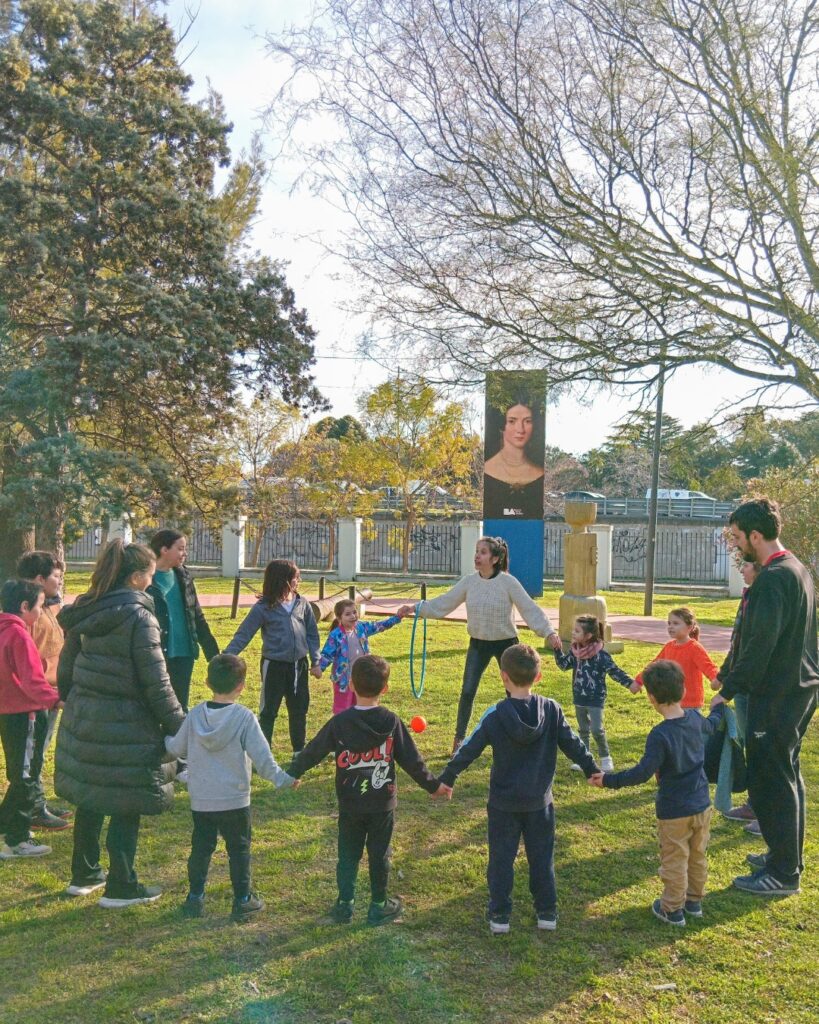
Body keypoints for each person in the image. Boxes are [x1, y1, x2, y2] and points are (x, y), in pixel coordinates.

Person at [55, 540, 184, 906]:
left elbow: (67, 667)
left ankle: (84, 874)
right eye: (149, 572)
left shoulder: (88, 609)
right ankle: (122, 885)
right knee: (127, 802)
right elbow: (157, 683)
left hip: (87, 717)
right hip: (129, 724)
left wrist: (77, 698)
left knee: (91, 794)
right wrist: (181, 726)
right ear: (135, 577)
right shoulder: (139, 616)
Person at [438, 643, 598, 934]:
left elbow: (469, 748)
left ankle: (500, 916)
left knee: (501, 859)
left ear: (503, 676)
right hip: (540, 803)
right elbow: (573, 743)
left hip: (504, 804)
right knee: (541, 857)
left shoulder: (496, 714)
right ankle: (546, 912)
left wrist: (448, 777)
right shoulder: (551, 710)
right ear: (538, 677)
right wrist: (591, 768)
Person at [288, 655, 448, 925]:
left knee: (347, 854)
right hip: (381, 804)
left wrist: (291, 773)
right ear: (384, 689)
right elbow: (412, 759)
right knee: (379, 854)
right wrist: (432, 786)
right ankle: (378, 905)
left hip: (350, 803)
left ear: (351, 685)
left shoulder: (340, 722)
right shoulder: (391, 721)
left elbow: (313, 750)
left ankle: (344, 905)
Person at [711, 497, 818, 896]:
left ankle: (783, 874)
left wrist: (729, 690)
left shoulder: (774, 578)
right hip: (799, 688)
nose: (737, 545)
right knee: (787, 775)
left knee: (773, 780)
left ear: (757, 535)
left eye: (739, 538)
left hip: (778, 694)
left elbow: (760, 646)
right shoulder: (798, 569)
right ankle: (783, 857)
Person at [590, 660, 725, 925]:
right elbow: (713, 724)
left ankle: (672, 909)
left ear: (651, 698)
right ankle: (694, 901)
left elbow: (641, 773)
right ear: (683, 690)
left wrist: (608, 780)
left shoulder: (660, 735)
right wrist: (719, 708)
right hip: (701, 805)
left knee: (675, 859)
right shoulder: (696, 719)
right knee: (697, 855)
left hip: (674, 811)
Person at [165, 654, 298, 922]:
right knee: (239, 850)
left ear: (206, 681)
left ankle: (194, 898)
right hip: (235, 800)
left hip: (202, 799)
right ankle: (242, 900)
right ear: (242, 686)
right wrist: (284, 779)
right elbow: (263, 759)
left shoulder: (195, 715)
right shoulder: (244, 718)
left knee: (201, 848)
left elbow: (175, 749)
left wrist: (162, 738)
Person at [398, 536, 561, 753]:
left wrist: (548, 632)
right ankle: (459, 741)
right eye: (477, 551)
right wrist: (415, 608)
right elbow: (444, 603)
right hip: (478, 644)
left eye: (483, 552)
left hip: (507, 645)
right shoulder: (469, 582)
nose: (477, 555)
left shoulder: (508, 582)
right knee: (467, 691)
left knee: (514, 693)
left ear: (495, 558)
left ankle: (522, 737)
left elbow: (529, 608)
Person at [224, 559, 320, 754]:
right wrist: (226, 656)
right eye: (295, 578)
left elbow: (312, 633)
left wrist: (316, 660)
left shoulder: (302, 603)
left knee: (299, 709)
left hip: (299, 666)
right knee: (268, 711)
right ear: (283, 581)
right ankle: (263, 753)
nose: (299, 580)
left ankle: (298, 751)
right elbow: (244, 634)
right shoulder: (263, 607)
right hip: (274, 666)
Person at [0, 580, 62, 859]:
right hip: (23, 712)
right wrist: (54, 699)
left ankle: (7, 826)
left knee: (19, 772)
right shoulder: (18, 635)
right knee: (26, 774)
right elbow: (31, 679)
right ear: (24, 606)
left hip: (7, 712)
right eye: (38, 606)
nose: (41, 612)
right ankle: (17, 839)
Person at [16, 550, 72, 829]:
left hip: (53, 692)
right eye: (56, 577)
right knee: (34, 754)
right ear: (40, 578)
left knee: (41, 750)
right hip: (39, 695)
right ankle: (33, 809)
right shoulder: (30, 614)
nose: (60, 581)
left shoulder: (50, 606)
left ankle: (38, 801)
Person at [146, 529, 219, 713]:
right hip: (156, 655)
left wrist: (213, 653)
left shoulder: (183, 576)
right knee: (155, 708)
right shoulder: (145, 579)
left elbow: (197, 615)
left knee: (179, 708)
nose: (184, 553)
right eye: (180, 548)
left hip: (184, 654)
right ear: (164, 549)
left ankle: (177, 741)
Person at [553, 614, 637, 772]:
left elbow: (615, 671)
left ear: (588, 635)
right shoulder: (575, 652)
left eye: (577, 631)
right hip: (579, 697)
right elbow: (563, 666)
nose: (573, 633)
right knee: (583, 729)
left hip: (595, 699)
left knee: (597, 729)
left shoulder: (601, 656)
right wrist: (557, 649)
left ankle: (606, 758)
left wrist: (630, 683)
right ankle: (584, 759)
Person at [716, 558, 761, 824]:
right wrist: (723, 674)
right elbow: (738, 643)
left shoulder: (762, 600)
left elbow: (755, 649)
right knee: (748, 744)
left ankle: (761, 808)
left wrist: (727, 690)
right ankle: (755, 804)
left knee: (758, 747)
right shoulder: (748, 596)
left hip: (753, 686)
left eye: (745, 565)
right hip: (741, 685)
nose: (741, 569)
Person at [317, 599, 404, 714]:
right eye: (347, 614)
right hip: (343, 680)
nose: (353, 616)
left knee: (363, 706)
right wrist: (318, 668)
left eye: (354, 612)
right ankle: (342, 730)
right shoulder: (336, 635)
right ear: (339, 619)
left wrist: (397, 617)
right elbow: (327, 654)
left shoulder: (361, 627)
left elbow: (379, 625)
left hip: (363, 677)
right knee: (343, 709)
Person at [634, 607, 718, 708]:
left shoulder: (695, 648)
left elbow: (708, 666)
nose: (671, 627)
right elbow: (653, 666)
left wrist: (716, 679)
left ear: (689, 627)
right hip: (671, 702)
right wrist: (639, 681)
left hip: (690, 704)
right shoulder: (668, 647)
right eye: (669, 623)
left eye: (676, 623)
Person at [483, 400, 545, 519]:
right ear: (502, 426)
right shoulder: (490, 470)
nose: (520, 429)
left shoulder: (538, 473)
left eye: (527, 421)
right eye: (512, 421)